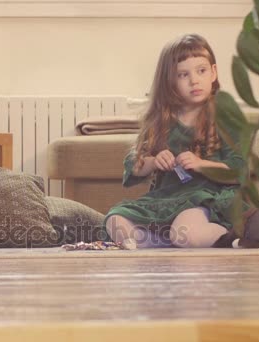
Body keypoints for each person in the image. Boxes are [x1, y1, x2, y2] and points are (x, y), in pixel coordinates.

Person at [105, 33, 247, 248]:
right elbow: (133, 165)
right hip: (166, 199)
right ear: (169, 80)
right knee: (115, 219)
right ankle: (169, 243)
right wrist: (153, 161)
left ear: (213, 73)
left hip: (208, 198)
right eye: (183, 75)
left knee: (186, 232)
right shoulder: (159, 120)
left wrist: (201, 164)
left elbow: (238, 171)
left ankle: (235, 237)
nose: (194, 80)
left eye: (201, 71)